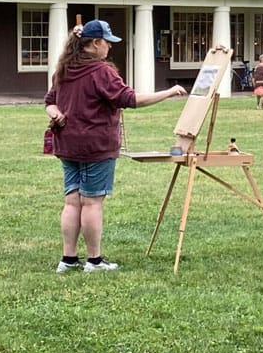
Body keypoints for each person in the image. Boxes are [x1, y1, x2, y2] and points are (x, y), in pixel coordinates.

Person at [45, 19, 187, 273]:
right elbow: (129, 99)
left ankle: (67, 260)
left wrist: (56, 113)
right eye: (107, 42)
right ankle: (94, 261)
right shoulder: (102, 72)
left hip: (67, 144)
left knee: (72, 202)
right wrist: (168, 92)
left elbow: (49, 102)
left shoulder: (63, 69)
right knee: (91, 203)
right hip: (95, 146)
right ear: (96, 43)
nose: (110, 47)